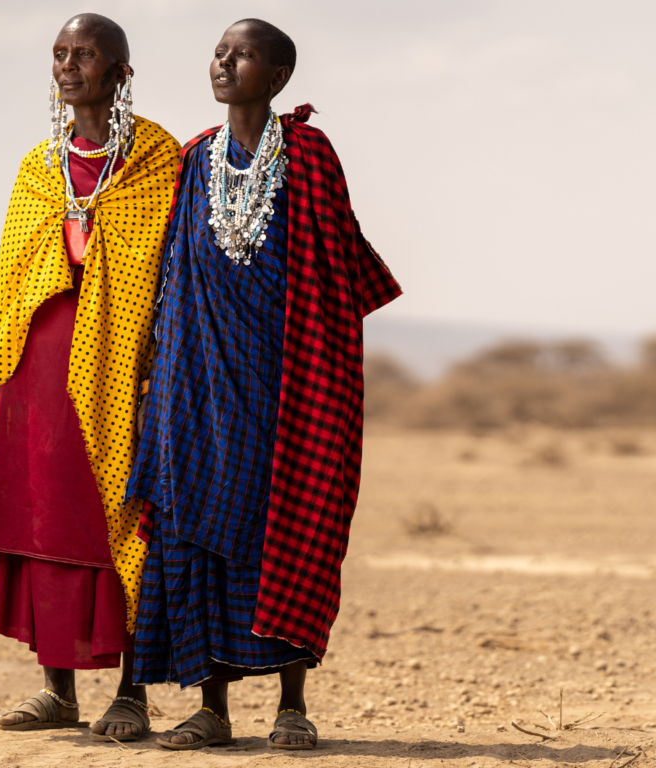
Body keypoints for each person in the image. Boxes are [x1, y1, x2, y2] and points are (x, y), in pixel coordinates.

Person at [126, 18, 401, 751]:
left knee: (283, 525)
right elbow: (173, 273)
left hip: (286, 381)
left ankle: (292, 703)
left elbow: (336, 261)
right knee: (193, 531)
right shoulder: (193, 159)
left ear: (276, 77)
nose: (223, 62)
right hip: (195, 386)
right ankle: (210, 708)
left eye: (241, 54)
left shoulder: (309, 155)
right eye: (219, 51)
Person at [0, 13, 180, 742]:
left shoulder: (156, 158)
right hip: (34, 368)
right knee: (39, 517)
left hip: (121, 366)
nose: (69, 65)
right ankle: (55, 691)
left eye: (86, 54)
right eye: (59, 54)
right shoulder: (37, 165)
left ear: (121, 70)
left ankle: (133, 693)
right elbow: (15, 275)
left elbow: (169, 271)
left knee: (118, 517)